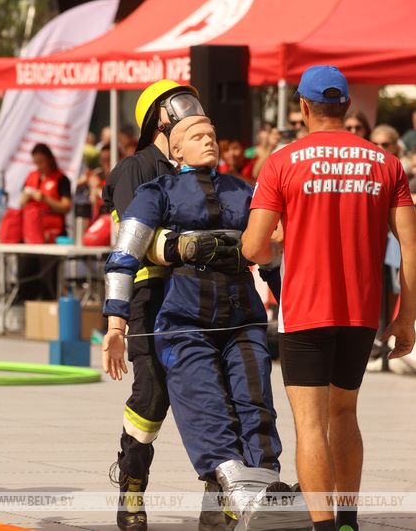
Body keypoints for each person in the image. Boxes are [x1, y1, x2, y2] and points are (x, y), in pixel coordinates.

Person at [104, 114, 312, 531]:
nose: (208, 141)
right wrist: (115, 325)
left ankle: (266, 486)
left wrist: (296, 309)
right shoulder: (154, 192)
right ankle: (231, 487)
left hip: (243, 317)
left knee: (256, 403)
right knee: (204, 404)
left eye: (212, 135)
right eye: (196, 136)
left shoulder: (244, 191)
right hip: (183, 317)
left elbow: (271, 258)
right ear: (176, 149)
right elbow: (124, 257)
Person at [242, 65, 416, 531]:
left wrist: (280, 244)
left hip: (305, 309)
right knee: (345, 413)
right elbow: (411, 246)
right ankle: (347, 521)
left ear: (303, 106)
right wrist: (406, 317)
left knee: (310, 425)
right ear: (347, 106)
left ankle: (323, 526)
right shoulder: (386, 163)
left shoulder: (282, 161)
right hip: (360, 311)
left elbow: (253, 247)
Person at [101, 80, 229, 531]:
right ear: (159, 118)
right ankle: (132, 486)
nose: (192, 110)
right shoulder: (134, 169)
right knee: (152, 395)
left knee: (216, 395)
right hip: (150, 296)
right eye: (180, 103)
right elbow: (136, 238)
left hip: (202, 294)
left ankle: (219, 495)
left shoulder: (200, 167)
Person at [16, 143, 72, 301]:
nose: (39, 166)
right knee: (26, 273)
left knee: (48, 278)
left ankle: (49, 306)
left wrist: (45, 199)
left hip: (52, 236)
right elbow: (21, 203)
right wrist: (26, 198)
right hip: (32, 236)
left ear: (49, 159)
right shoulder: (31, 177)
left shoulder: (61, 179)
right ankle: (27, 304)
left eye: (41, 161)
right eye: (36, 162)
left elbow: (66, 206)